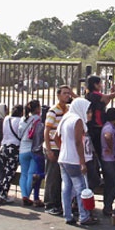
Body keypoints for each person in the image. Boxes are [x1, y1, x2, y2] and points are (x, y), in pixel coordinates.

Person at [57, 97, 97, 226]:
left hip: (63, 158)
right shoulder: (77, 120)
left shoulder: (66, 117)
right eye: (88, 111)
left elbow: (56, 137)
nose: (89, 114)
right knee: (81, 187)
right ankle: (84, 216)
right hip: (74, 160)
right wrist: (82, 162)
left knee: (66, 187)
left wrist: (63, 149)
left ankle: (67, 215)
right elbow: (78, 142)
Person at [43, 87, 71, 215]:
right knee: (52, 177)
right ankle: (50, 204)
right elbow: (47, 131)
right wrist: (48, 150)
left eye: (68, 93)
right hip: (53, 148)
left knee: (60, 178)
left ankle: (58, 203)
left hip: (62, 147)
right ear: (58, 95)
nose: (67, 95)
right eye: (64, 93)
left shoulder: (68, 109)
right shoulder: (53, 111)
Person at [85, 74, 115, 163]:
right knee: (99, 149)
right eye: (100, 83)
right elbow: (107, 98)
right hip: (97, 126)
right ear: (95, 84)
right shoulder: (95, 94)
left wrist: (112, 92)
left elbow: (104, 101)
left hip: (94, 125)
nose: (101, 85)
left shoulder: (90, 95)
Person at [0, 105, 24, 204]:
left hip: (3, 148)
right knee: (9, 173)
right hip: (13, 149)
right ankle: (1, 192)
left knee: (5, 172)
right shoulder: (20, 121)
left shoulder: (6, 119)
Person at [18, 100, 44, 206]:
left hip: (22, 149)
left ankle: (24, 195)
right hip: (33, 149)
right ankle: (28, 196)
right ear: (37, 108)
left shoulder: (23, 119)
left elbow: (19, 134)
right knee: (30, 174)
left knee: (23, 174)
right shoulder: (38, 119)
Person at [100, 107, 115, 218]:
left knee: (109, 184)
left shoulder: (109, 125)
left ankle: (107, 206)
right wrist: (111, 147)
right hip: (109, 159)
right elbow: (107, 136)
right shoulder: (109, 127)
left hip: (108, 159)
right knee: (113, 183)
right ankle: (108, 206)